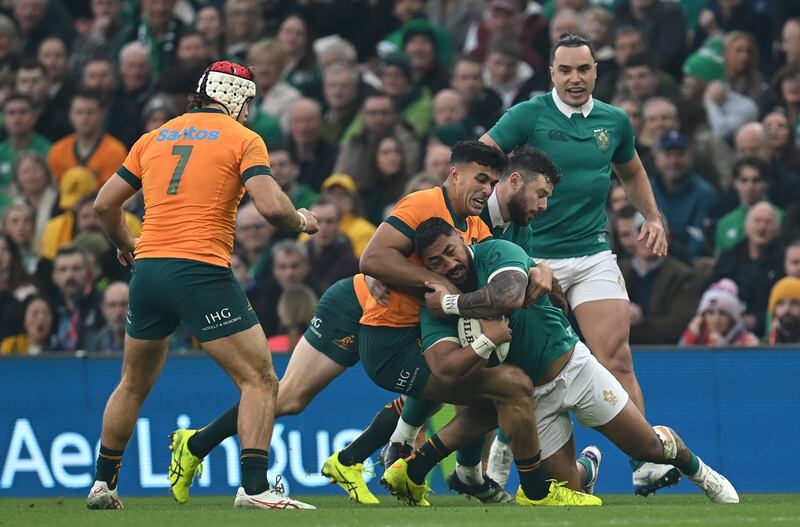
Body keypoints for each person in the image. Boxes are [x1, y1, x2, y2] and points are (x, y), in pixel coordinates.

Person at [85, 61, 318, 511]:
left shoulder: (156, 136)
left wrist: (126, 244)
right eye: (248, 102)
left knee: (131, 383)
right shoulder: (243, 138)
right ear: (235, 99)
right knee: (260, 380)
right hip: (199, 271)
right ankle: (254, 488)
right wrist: (302, 220)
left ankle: (102, 484)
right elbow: (270, 207)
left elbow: (103, 203)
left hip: (148, 270)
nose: (249, 111)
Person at [382, 218, 738, 505]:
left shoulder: (494, 251)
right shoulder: (432, 298)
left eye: (450, 251)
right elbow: (443, 370)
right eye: (436, 262)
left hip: (574, 369)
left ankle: (701, 471)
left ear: (462, 240)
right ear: (426, 267)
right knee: (569, 493)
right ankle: (587, 467)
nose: (449, 264)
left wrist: (452, 305)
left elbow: (508, 296)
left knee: (648, 448)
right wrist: (484, 337)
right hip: (530, 400)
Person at [479, 32, 674, 494]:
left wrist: (653, 215)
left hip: (590, 255)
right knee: (515, 369)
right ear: (551, 74)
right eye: (565, 70)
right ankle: (489, 469)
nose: (574, 78)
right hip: (530, 258)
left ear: (595, 72)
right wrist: (474, 221)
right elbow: (480, 158)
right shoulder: (527, 115)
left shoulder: (615, 121)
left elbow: (632, 170)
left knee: (617, 356)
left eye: (583, 69)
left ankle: (643, 459)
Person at [680, 279, 759, 347]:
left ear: (732, 318)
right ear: (702, 317)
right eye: (710, 313)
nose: (716, 319)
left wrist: (724, 350)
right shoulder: (694, 338)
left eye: (722, 313)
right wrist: (689, 339)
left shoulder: (748, 342)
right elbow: (679, 362)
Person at [86, 281, 128, 353]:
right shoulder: (96, 341)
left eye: (124, 304)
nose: (118, 312)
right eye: (112, 305)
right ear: (103, 308)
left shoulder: (142, 341)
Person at [766, 277, 800, 344]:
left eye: (794, 303)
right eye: (781, 303)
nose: (787, 309)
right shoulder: (764, 347)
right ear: (774, 310)